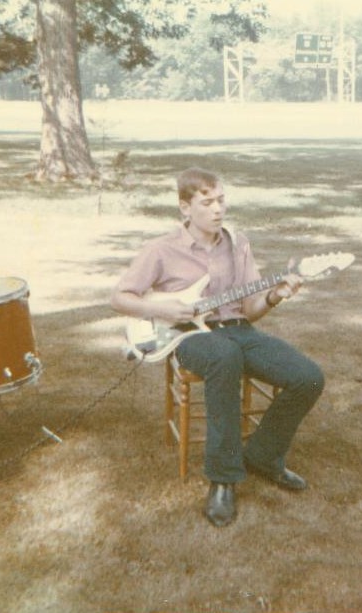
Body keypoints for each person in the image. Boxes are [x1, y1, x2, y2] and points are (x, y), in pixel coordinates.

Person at [111, 167, 324, 527]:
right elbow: (119, 298)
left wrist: (275, 295)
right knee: (224, 357)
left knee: (308, 377)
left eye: (222, 200)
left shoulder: (238, 244)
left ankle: (263, 455)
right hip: (189, 337)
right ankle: (223, 478)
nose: (218, 209)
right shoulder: (161, 249)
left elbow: (250, 310)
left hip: (238, 330)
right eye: (207, 202)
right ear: (185, 208)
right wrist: (161, 309)